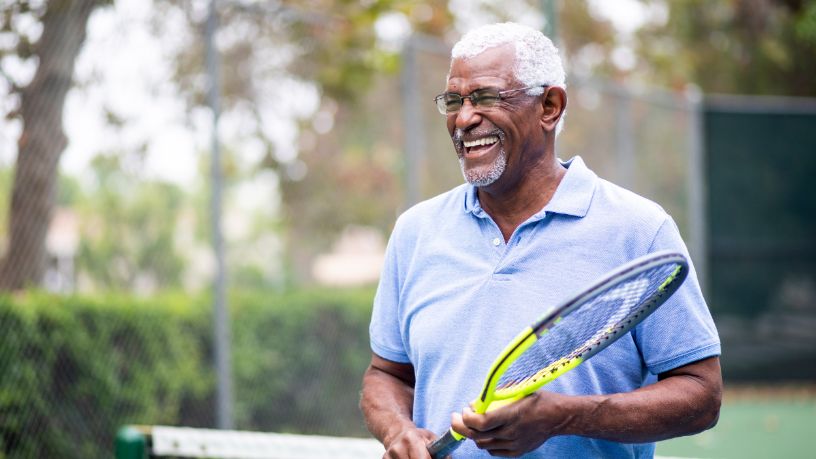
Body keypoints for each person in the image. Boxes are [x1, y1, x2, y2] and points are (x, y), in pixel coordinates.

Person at [360, 22, 722, 458]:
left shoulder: (640, 229)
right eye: (454, 101)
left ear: (549, 106)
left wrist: (563, 416)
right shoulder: (415, 232)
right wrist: (398, 430)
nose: (464, 118)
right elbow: (388, 375)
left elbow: (702, 395)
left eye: (487, 97)